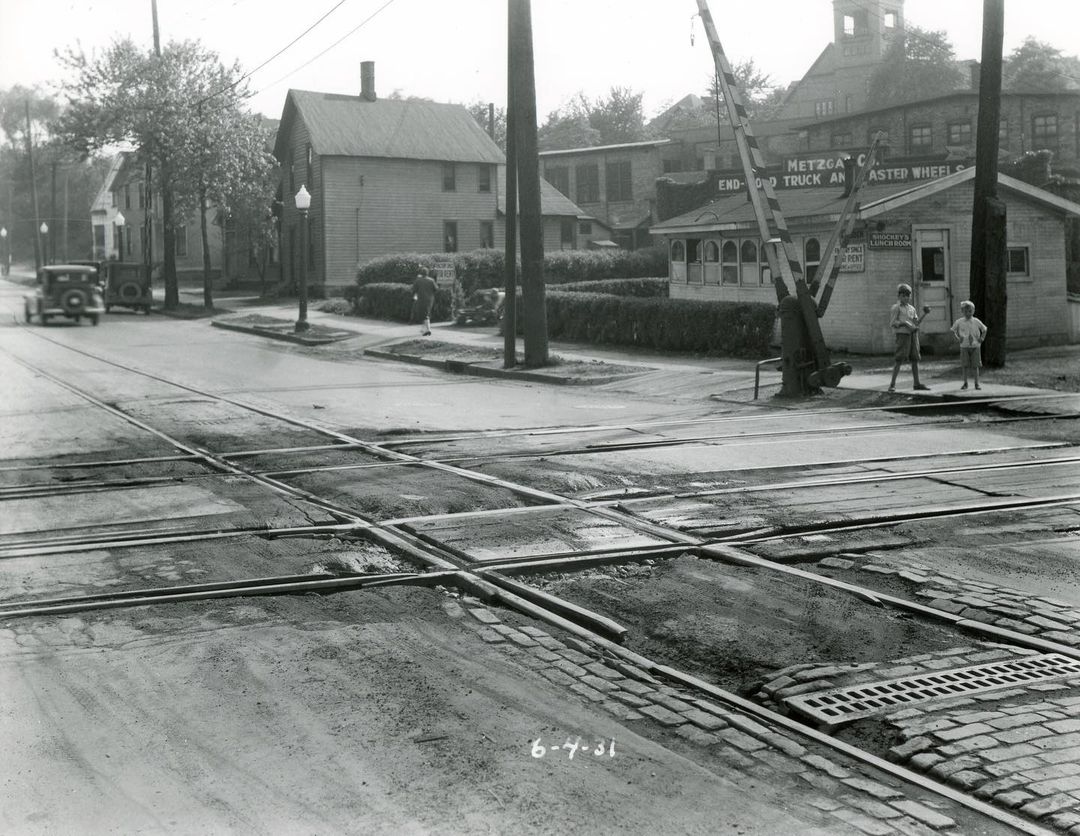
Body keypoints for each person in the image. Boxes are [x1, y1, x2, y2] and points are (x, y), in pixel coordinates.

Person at [888, 283, 932, 392]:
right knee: (899, 358)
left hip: (913, 335)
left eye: (908, 295)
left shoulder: (912, 308)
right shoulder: (896, 308)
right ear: (899, 296)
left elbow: (916, 322)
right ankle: (892, 384)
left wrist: (924, 314)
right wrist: (904, 323)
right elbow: (893, 323)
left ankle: (916, 383)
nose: (906, 298)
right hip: (903, 335)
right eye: (903, 295)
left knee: (915, 358)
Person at [950, 300, 988, 390]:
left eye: (970, 311)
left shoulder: (976, 321)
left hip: (975, 346)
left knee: (975, 366)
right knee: (965, 365)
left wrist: (982, 338)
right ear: (962, 311)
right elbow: (952, 330)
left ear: (973, 311)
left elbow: (984, 329)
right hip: (964, 346)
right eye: (965, 311)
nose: (968, 313)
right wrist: (958, 338)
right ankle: (965, 383)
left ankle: (976, 383)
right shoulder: (959, 322)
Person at [412, 266, 437, 336]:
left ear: (421, 273)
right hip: (430, 299)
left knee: (424, 314)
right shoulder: (431, 280)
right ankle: (423, 329)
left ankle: (428, 330)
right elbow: (436, 289)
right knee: (426, 314)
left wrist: (414, 296)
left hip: (421, 299)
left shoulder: (418, 280)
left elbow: (414, 290)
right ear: (427, 273)